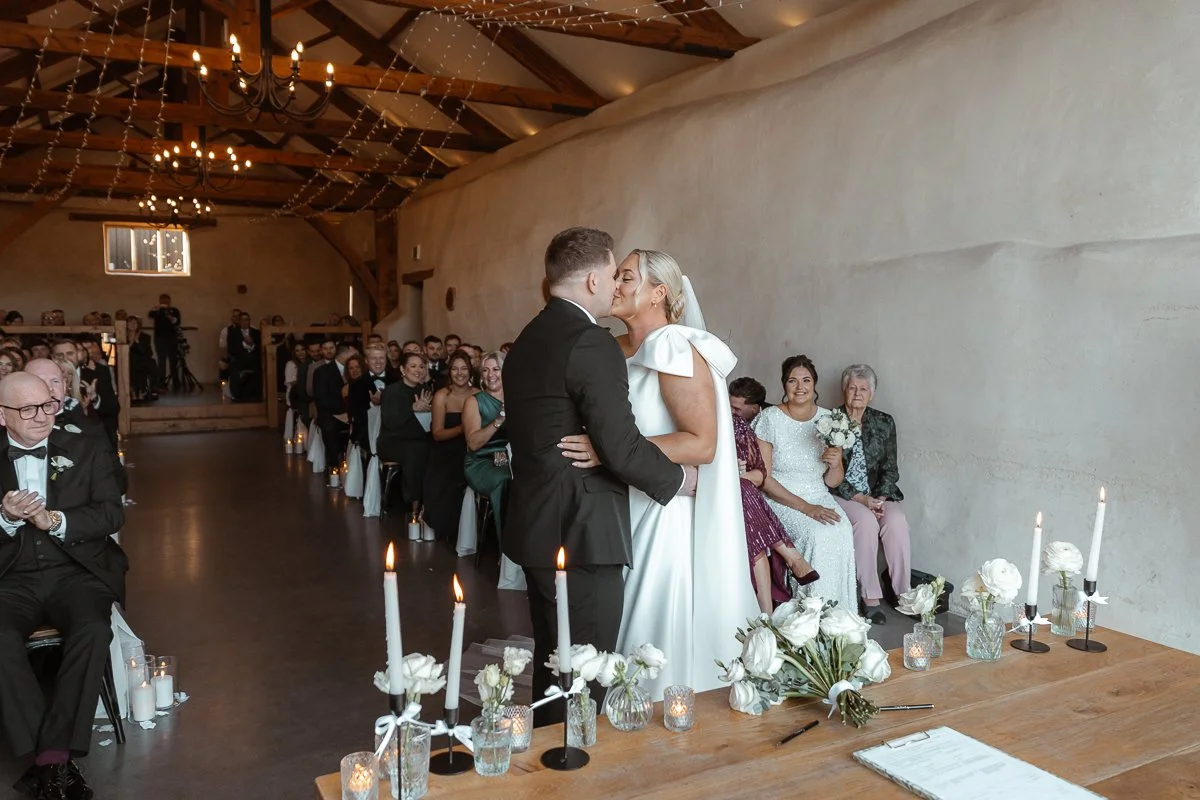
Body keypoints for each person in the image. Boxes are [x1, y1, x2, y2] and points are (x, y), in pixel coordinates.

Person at [503, 228, 691, 726]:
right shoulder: (590, 341)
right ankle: (576, 769)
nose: (616, 286)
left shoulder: (526, 339)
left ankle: (548, 764)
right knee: (586, 671)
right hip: (582, 531)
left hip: (536, 524)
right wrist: (678, 482)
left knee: (553, 663)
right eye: (612, 275)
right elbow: (620, 445)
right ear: (591, 279)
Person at [560, 249, 757, 698]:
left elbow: (702, 443)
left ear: (659, 293)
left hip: (660, 510)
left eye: (627, 277)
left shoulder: (673, 345)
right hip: (618, 500)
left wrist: (611, 453)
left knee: (645, 618)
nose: (616, 285)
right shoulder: (612, 348)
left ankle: (650, 707)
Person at [0, 373, 126, 800]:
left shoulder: (86, 446)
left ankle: (48, 760)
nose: (42, 417)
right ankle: (53, 761)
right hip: (10, 578)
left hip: (75, 571)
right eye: (28, 409)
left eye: (48, 405)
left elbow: (112, 514)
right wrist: (4, 519)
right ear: (2, 416)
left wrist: (56, 521)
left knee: (93, 629)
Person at [753, 355, 857, 613]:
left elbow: (833, 481)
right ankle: (808, 616)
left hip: (819, 493)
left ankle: (839, 617)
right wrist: (805, 508)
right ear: (784, 385)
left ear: (815, 384)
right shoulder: (770, 419)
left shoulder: (830, 420)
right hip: (780, 498)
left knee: (842, 529)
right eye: (792, 380)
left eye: (806, 380)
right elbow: (764, 479)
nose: (800, 386)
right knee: (816, 535)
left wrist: (835, 463)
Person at [832, 364, 910, 613]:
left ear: (872, 393)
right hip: (842, 494)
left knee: (896, 521)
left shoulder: (884, 422)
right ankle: (869, 595)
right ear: (844, 390)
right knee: (865, 522)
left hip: (877, 494)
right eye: (852, 387)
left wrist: (878, 498)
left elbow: (890, 467)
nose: (857, 393)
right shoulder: (829, 421)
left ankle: (903, 593)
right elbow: (825, 473)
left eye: (863, 388)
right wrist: (861, 500)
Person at [734, 412, 819, 612]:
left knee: (746, 497)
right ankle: (792, 557)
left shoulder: (736, 424)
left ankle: (766, 615)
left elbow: (759, 474)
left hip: (742, 498)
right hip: (708, 494)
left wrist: (738, 475)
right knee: (744, 492)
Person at [462, 352, 512, 555]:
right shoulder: (474, 402)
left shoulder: (516, 397)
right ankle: (507, 551)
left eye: (496, 369)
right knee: (505, 480)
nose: (490, 374)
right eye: (485, 370)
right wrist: (499, 419)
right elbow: (473, 443)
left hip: (510, 458)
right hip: (481, 461)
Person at [423, 350, 473, 541]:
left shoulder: (478, 394)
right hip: (445, 449)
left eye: (464, 368)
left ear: (470, 371)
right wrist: (463, 427)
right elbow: (437, 433)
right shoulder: (441, 396)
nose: (459, 373)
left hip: (471, 448)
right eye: (454, 369)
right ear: (449, 371)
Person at [377, 353, 432, 520]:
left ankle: (432, 505)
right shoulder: (391, 391)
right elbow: (390, 421)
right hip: (393, 441)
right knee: (415, 451)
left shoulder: (425, 390)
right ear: (402, 369)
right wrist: (413, 408)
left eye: (421, 367)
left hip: (419, 438)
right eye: (413, 366)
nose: (418, 370)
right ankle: (414, 506)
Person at [313, 342, 357, 465]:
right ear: (345, 354)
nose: (356, 357)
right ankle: (334, 468)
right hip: (331, 413)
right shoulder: (322, 371)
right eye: (354, 353)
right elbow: (321, 398)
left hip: (352, 412)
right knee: (330, 428)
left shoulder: (355, 369)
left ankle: (355, 465)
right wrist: (341, 412)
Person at [79, 338, 119, 448]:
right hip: (88, 417)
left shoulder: (103, 367)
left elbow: (111, 390)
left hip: (106, 411)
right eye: (82, 349)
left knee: (110, 442)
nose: (87, 351)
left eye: (89, 347)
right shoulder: (78, 371)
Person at [148, 293, 181, 391]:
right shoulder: (157, 310)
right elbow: (150, 314)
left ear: (169, 301)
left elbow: (176, 322)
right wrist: (157, 309)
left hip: (172, 338)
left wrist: (168, 314)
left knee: (173, 360)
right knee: (161, 361)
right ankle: (161, 383)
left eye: (166, 300)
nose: (164, 302)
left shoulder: (174, 310)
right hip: (159, 338)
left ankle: (176, 382)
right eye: (162, 300)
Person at [227, 312, 262, 401]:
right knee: (234, 368)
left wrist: (251, 345)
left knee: (259, 367)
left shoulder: (256, 333)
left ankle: (255, 395)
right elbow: (231, 349)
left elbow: (259, 348)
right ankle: (237, 395)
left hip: (253, 359)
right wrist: (244, 344)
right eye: (243, 320)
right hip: (239, 359)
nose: (245, 322)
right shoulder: (233, 333)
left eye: (247, 320)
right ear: (239, 321)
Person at [126, 315, 158, 402]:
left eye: (135, 323)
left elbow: (145, 351)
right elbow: (123, 351)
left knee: (146, 364)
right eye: (130, 322)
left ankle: (141, 391)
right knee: (131, 364)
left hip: (141, 359)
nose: (133, 324)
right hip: (127, 360)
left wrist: (137, 341)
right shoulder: (122, 336)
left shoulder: (145, 336)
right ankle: (133, 391)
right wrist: (131, 342)